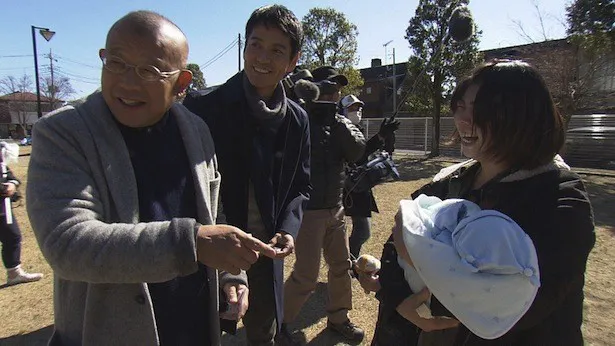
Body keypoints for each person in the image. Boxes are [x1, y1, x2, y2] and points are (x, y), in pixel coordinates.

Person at [27, 11, 277, 346]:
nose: (127, 82)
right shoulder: (64, 133)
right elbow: (68, 243)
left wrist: (231, 275)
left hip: (194, 330)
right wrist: (192, 243)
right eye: (115, 62)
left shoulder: (196, 131)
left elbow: (214, 216)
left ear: (182, 83)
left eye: (149, 70)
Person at [358, 60, 596, 346]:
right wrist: (395, 294)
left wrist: (419, 261)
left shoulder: (560, 199)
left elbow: (518, 305)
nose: (464, 120)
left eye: (481, 110)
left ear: (523, 116)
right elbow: (396, 241)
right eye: (461, 106)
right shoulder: (452, 180)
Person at [183, 5, 310, 346]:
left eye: (277, 50)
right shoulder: (202, 108)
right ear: (244, 47)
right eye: (256, 44)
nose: (263, 58)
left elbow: (301, 184)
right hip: (210, 248)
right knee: (203, 331)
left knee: (263, 333)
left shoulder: (297, 120)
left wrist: (288, 228)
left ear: (293, 61)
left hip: (266, 254)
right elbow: (186, 187)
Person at [281, 66, 366, 343]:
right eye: (328, 88)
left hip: (336, 207)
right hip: (309, 212)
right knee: (305, 276)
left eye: (336, 90)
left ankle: (339, 319)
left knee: (341, 267)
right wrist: (318, 116)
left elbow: (356, 151)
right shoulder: (299, 119)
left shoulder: (338, 122)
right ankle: (278, 324)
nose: (333, 94)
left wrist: (339, 120)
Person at [339, 94, 399, 259]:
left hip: (359, 185)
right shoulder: (341, 130)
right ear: (342, 110)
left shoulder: (355, 129)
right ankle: (348, 262)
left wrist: (384, 138)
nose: (357, 111)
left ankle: (348, 262)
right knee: (362, 231)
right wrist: (379, 137)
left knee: (360, 230)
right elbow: (358, 154)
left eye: (358, 108)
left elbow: (364, 154)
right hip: (351, 187)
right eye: (352, 108)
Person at [0, 143, 42, 286]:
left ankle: (14, 272)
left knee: (12, 236)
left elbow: (8, 174)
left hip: (3, 207)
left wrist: (11, 184)